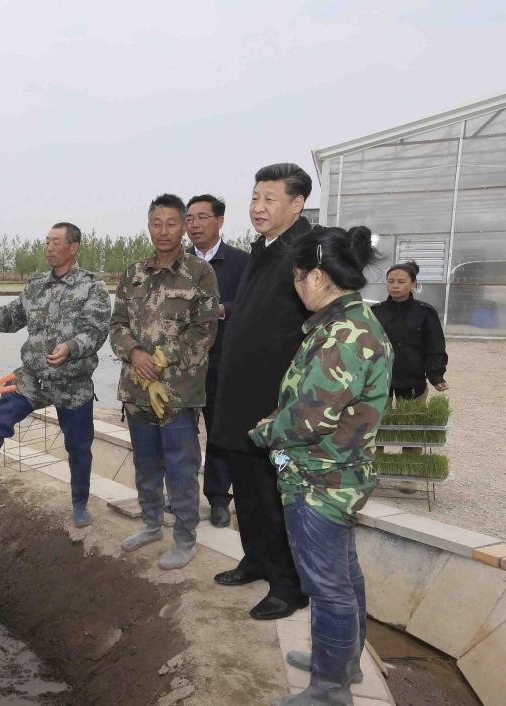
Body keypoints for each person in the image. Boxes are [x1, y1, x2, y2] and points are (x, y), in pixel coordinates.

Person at [249, 225, 392, 706]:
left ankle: (330, 690)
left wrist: (265, 431)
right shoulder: (351, 322)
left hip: (320, 479)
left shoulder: (343, 335)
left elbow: (309, 418)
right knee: (344, 576)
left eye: (296, 278)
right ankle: (341, 663)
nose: (295, 288)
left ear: (316, 276)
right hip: (338, 472)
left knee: (329, 588)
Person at [209, 162, 313, 621]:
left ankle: (289, 586)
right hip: (240, 397)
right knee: (247, 489)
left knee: (275, 496)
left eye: (270, 198)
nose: (258, 207)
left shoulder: (306, 252)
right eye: (255, 197)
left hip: (274, 401)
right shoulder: (264, 248)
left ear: (297, 203)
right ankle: (256, 559)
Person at [0, 222, 110, 527]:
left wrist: (70, 347)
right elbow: (11, 317)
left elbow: (96, 331)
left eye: (56, 242)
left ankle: (80, 504)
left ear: (73, 247)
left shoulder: (92, 287)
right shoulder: (36, 285)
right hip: (32, 379)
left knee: (78, 447)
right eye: (47, 241)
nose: (49, 247)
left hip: (72, 382)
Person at [110, 194, 219, 569]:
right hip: (136, 390)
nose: (163, 230)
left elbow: (205, 330)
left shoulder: (199, 272)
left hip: (179, 393)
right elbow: (117, 325)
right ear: (149, 226)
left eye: (171, 223)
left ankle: (185, 538)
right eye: (156, 223)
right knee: (145, 465)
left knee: (181, 469)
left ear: (184, 226)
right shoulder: (133, 273)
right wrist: (135, 354)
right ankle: (151, 525)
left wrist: (161, 358)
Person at [183, 194, 250, 527]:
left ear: (219, 221)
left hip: (222, 361)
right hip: (182, 365)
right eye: (189, 218)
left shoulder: (242, 262)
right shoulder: (176, 263)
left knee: (219, 432)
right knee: (180, 433)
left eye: (202, 217)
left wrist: (221, 310)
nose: (194, 225)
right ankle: (181, 496)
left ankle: (219, 499)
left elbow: (253, 305)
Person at [371, 261, 448, 400]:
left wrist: (436, 375)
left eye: (401, 282)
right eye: (390, 281)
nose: (395, 285)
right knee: (379, 413)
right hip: (380, 379)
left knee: (412, 413)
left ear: (413, 284)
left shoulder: (425, 312)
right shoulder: (375, 312)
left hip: (413, 380)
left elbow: (435, 346)